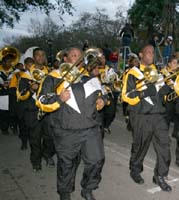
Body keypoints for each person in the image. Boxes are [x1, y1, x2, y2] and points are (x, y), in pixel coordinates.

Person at [36, 47, 109, 200]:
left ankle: (87, 188)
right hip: (66, 131)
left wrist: (103, 100)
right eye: (73, 55)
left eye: (79, 56)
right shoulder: (53, 78)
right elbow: (41, 101)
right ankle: (65, 192)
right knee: (66, 165)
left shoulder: (90, 78)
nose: (77, 58)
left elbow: (104, 93)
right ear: (65, 59)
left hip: (90, 129)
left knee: (96, 161)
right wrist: (59, 99)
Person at [122, 44, 172, 192]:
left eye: (152, 53)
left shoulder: (157, 72)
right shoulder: (133, 73)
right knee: (140, 147)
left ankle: (160, 175)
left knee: (165, 146)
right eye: (148, 52)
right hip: (140, 116)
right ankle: (135, 170)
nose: (151, 55)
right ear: (141, 55)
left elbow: (162, 95)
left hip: (158, 115)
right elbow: (126, 96)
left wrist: (167, 88)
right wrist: (144, 93)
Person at [17, 48, 56, 171]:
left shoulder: (51, 73)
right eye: (37, 55)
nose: (40, 57)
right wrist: (31, 90)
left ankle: (47, 154)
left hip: (48, 111)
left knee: (50, 137)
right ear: (34, 58)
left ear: (45, 57)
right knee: (35, 139)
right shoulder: (25, 75)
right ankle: (36, 162)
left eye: (42, 55)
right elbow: (20, 95)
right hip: (32, 111)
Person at [160, 55, 179, 139]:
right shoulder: (164, 73)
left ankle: (175, 132)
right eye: (174, 63)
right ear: (169, 64)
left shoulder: (177, 74)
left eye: (177, 63)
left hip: (176, 97)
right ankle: (164, 134)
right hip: (167, 98)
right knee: (167, 117)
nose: (176, 65)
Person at [98, 55, 118, 135]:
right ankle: (101, 128)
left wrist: (113, 80)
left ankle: (106, 125)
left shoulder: (109, 69)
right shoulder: (93, 69)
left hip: (107, 93)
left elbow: (115, 80)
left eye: (103, 58)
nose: (102, 60)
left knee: (111, 112)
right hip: (97, 94)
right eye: (100, 58)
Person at [0, 54, 14, 135]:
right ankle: (4, 128)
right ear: (3, 63)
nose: (10, 64)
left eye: (10, 62)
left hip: (11, 94)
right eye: (8, 62)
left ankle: (11, 125)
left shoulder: (13, 71)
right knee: (3, 113)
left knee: (11, 112)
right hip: (2, 95)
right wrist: (2, 85)